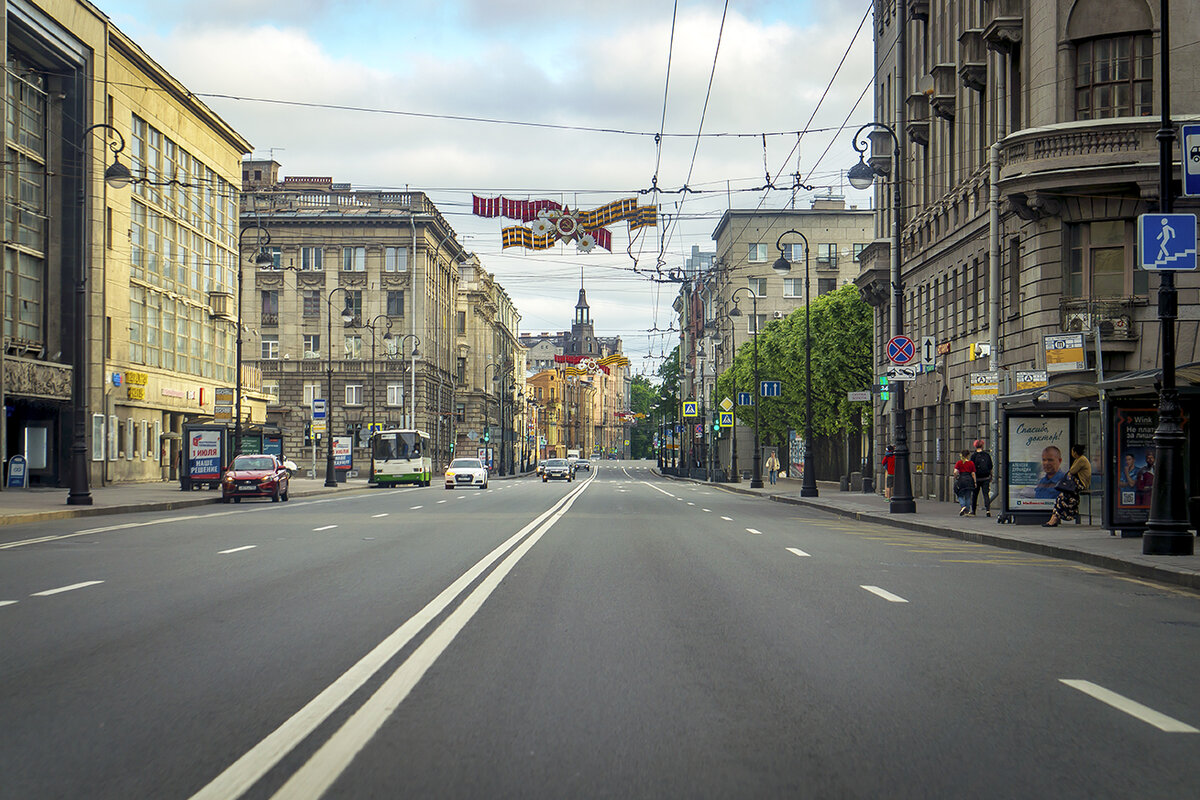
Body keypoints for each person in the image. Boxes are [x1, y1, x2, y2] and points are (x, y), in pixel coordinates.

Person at [1044, 443, 1092, 526]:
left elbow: (1072, 471)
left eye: (1072, 451)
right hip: (1075, 485)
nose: (1071, 453)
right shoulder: (1079, 459)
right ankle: (1053, 519)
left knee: (1062, 497)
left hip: (1080, 484)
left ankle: (1054, 519)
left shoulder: (1081, 460)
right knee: (1060, 498)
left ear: (1075, 452)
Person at [969, 438, 994, 517]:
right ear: (982, 446)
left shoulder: (973, 456)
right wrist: (991, 476)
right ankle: (988, 510)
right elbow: (990, 466)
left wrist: (973, 479)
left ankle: (973, 511)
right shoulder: (987, 455)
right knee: (986, 494)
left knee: (975, 495)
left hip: (977, 478)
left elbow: (971, 468)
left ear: (975, 446)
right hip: (986, 478)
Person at [953, 449, 976, 516]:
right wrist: (975, 482)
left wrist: (956, 477)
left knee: (960, 494)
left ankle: (963, 506)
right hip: (969, 480)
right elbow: (973, 473)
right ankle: (967, 511)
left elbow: (955, 472)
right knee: (968, 496)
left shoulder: (959, 463)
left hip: (962, 480)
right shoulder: (971, 463)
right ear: (968, 455)